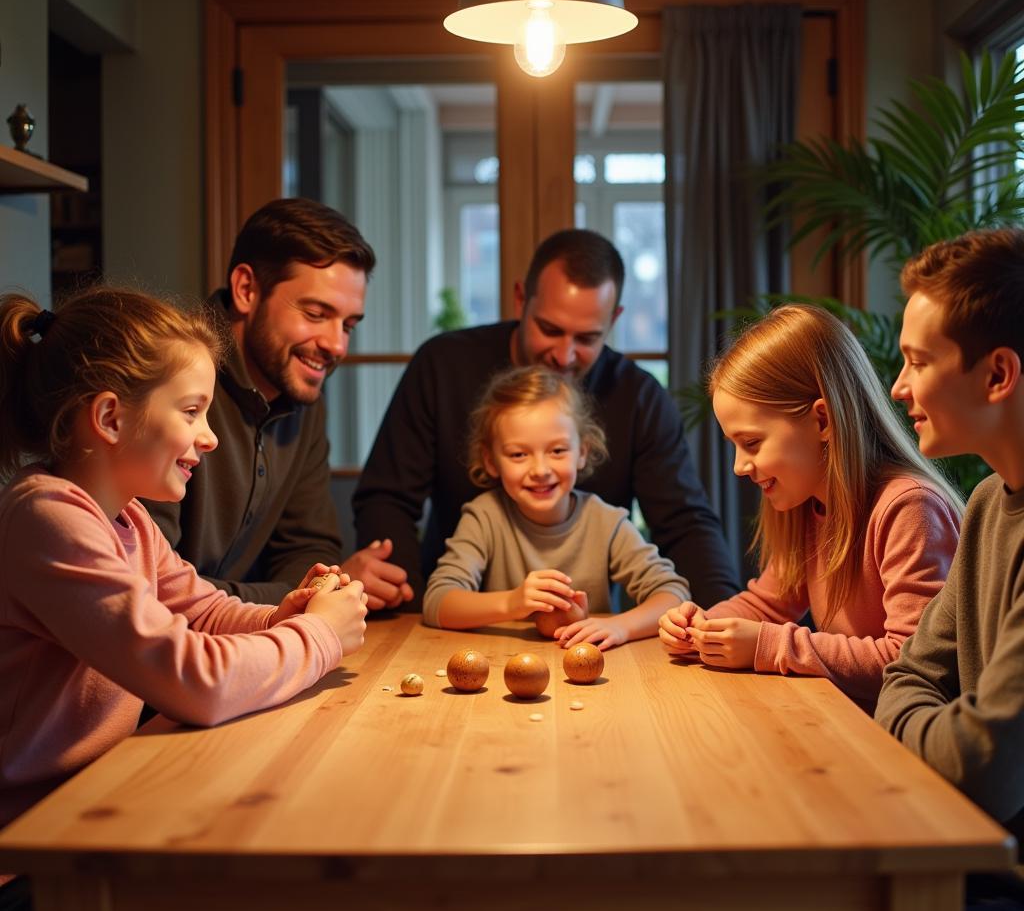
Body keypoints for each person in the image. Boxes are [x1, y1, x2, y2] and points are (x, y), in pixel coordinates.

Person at [662, 232, 1024, 911]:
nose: (898, 385)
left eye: (918, 362)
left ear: (998, 375)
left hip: (975, 857)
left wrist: (775, 649)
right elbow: (911, 677)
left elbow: (971, 752)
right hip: (923, 807)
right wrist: (702, 623)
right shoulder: (992, 503)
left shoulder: (914, 503)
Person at [0, 287, 368, 911]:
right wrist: (319, 638)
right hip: (30, 861)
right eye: (193, 412)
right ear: (110, 416)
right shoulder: (47, 520)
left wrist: (291, 612)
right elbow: (191, 677)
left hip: (105, 812)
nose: (210, 436)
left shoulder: (126, 519)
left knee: (330, 906)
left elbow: (204, 610)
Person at [354, 228, 739, 607]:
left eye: (587, 338)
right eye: (550, 330)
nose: (564, 355)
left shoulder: (640, 397)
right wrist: (404, 600)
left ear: (614, 319)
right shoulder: (442, 365)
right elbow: (387, 498)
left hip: (584, 627)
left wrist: (723, 608)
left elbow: (686, 523)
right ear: (521, 299)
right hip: (456, 613)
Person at [658, 304, 961, 712]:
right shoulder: (809, 505)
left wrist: (767, 645)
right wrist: (701, 624)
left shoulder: (910, 508)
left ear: (822, 421)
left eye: (751, 443)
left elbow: (910, 662)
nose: (738, 466)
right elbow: (767, 603)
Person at [147, 197, 413, 611]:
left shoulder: (302, 393)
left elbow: (310, 551)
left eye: (348, 324)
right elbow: (158, 590)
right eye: (315, 312)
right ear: (246, 289)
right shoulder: (164, 377)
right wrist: (300, 596)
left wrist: (311, 590)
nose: (336, 344)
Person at [424, 366, 690, 646]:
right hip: (499, 668)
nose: (540, 469)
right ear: (491, 461)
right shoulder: (485, 517)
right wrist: (513, 602)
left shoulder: (606, 522)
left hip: (596, 672)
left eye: (557, 450)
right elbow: (438, 601)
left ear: (582, 453)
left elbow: (673, 594)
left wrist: (620, 627)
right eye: (518, 454)